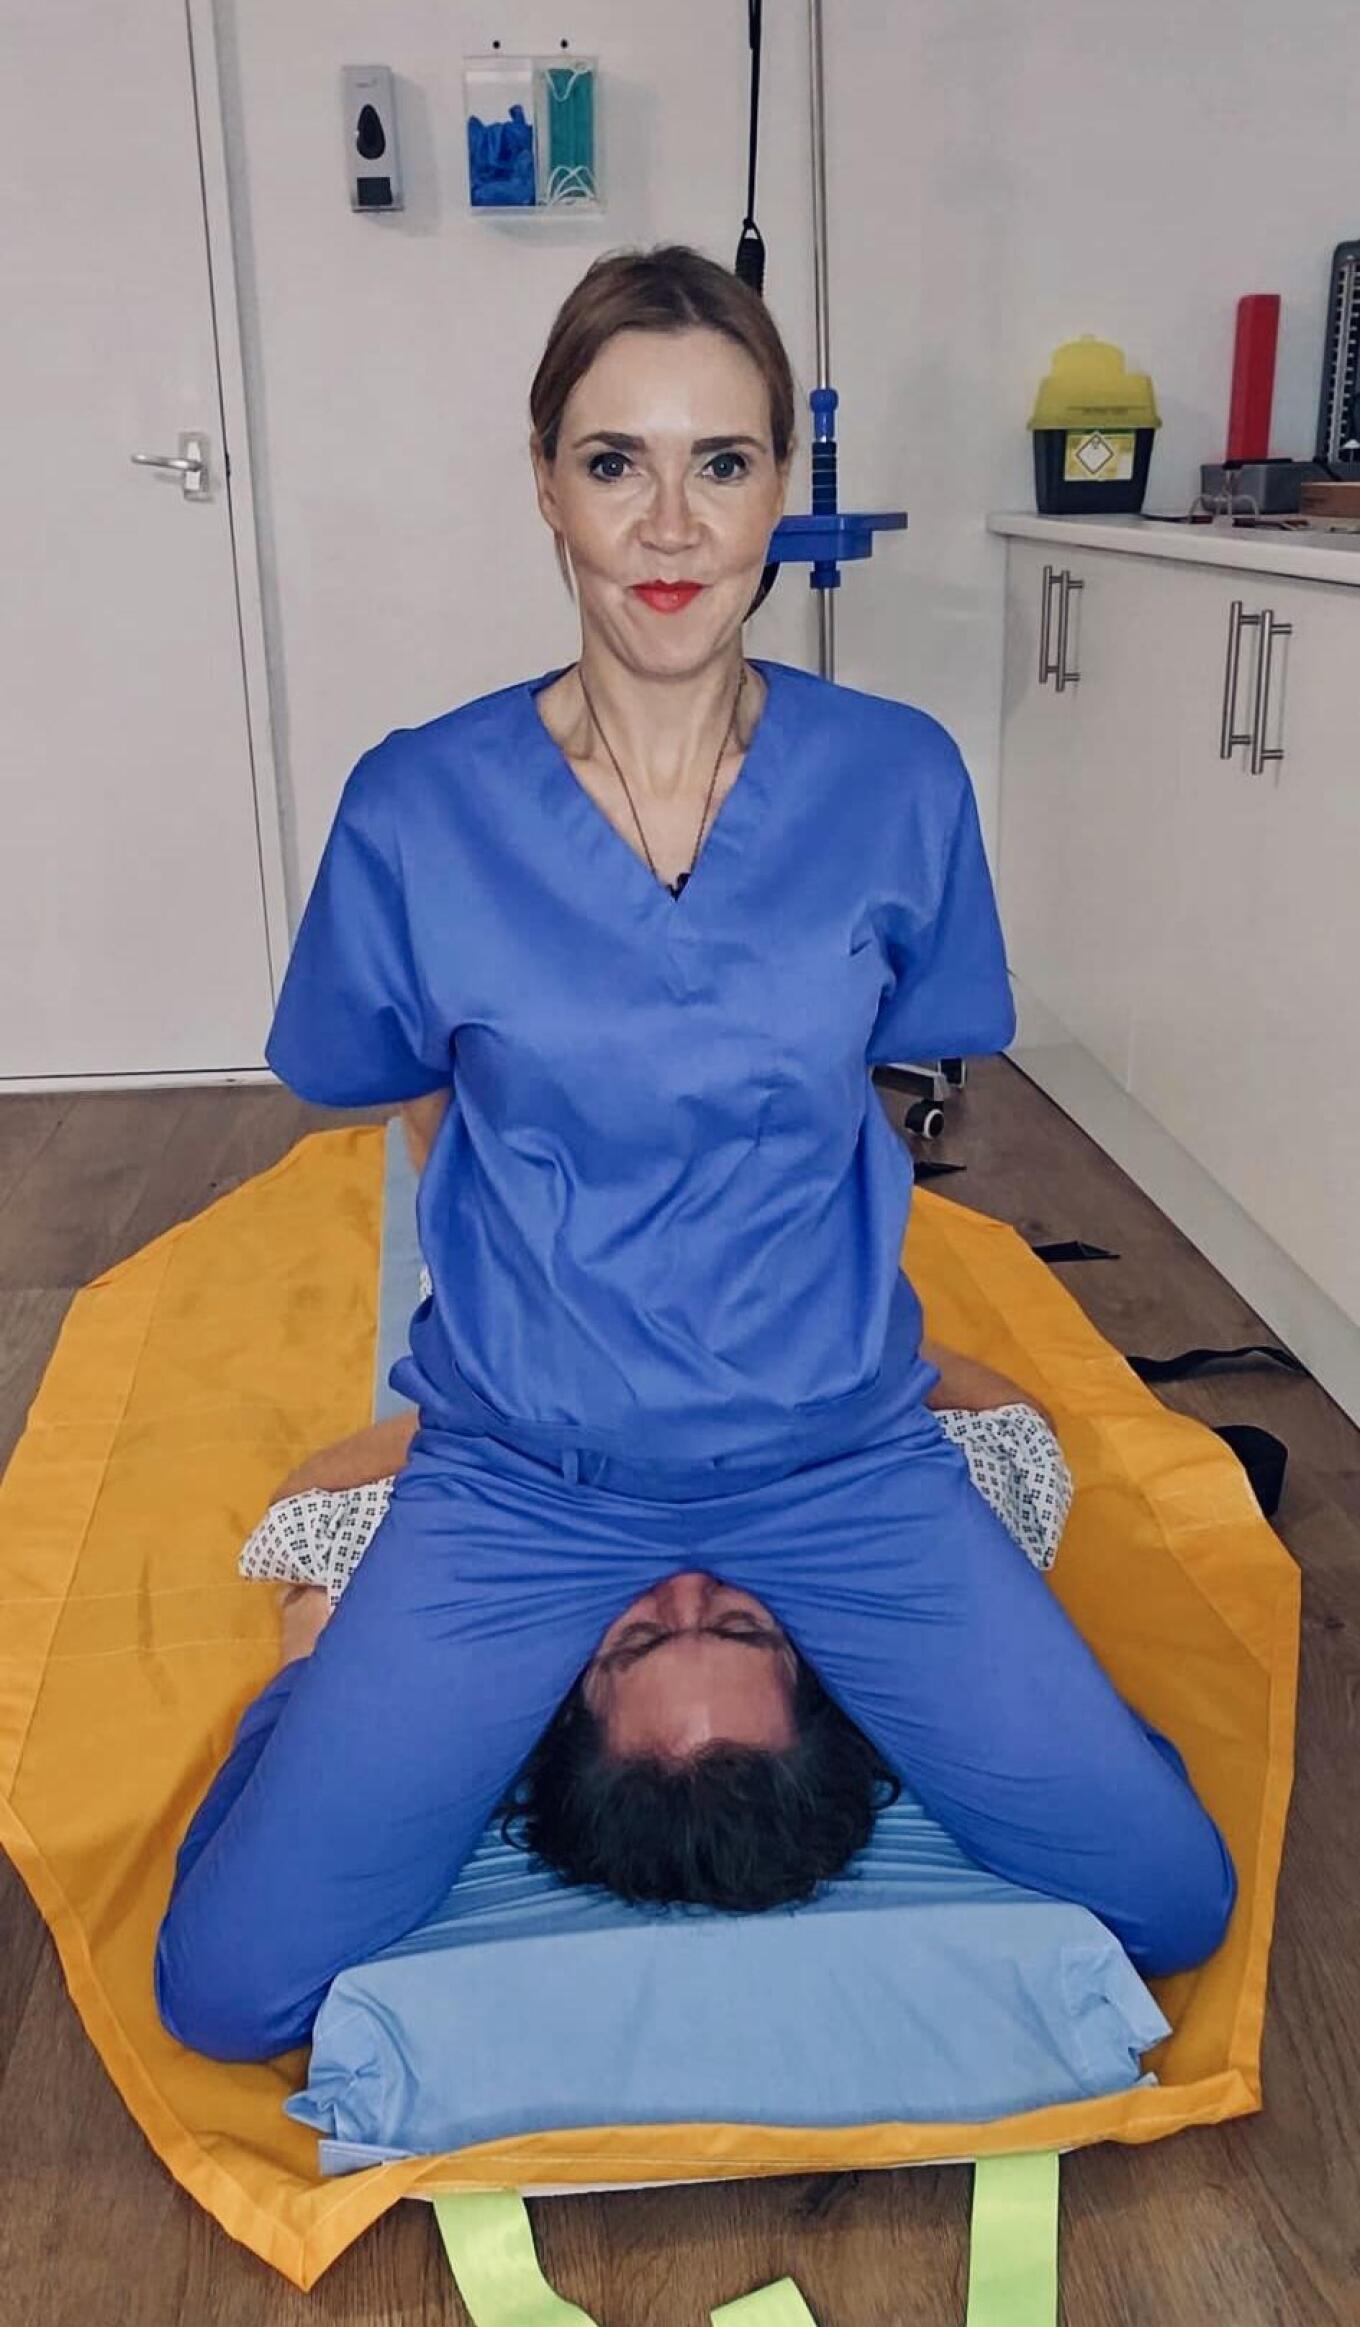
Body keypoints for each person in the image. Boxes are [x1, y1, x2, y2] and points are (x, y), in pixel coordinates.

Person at [154, 243, 1236, 2065]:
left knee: (1170, 1890)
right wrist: (539, 1295)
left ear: (779, 489)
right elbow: (403, 1087)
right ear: (545, 484)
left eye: (721, 463)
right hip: (527, 1480)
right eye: (616, 462)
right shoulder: (418, 806)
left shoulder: (895, 781)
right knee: (225, 1983)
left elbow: (876, 1083)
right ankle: (327, 1666)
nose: (670, 525)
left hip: (836, 1462)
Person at [243, 1339, 1072, 1912]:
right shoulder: (904, 1568)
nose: (685, 1586)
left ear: (570, 1696)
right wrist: (866, 1353)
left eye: (640, 1637)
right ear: (816, 1668)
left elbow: (304, 1514)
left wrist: (488, 1433)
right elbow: (1022, 1430)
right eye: (739, 1626)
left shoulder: (484, 1587)